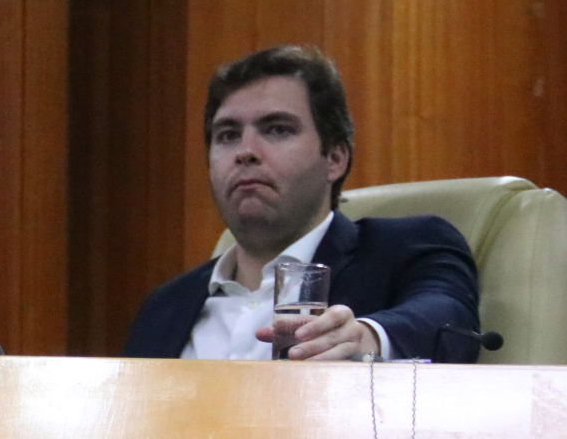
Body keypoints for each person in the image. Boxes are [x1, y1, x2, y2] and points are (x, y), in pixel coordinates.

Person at [124, 45, 480, 362]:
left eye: (277, 129)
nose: (245, 151)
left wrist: (367, 338)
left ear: (335, 159)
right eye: (228, 135)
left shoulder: (403, 250)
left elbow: (449, 321)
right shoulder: (164, 307)